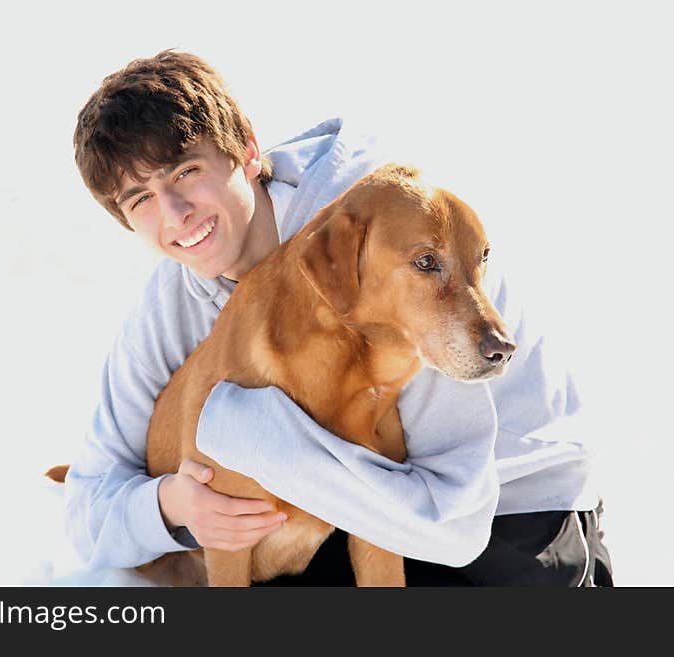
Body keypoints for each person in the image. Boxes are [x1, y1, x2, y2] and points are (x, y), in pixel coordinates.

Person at [64, 49, 613, 586]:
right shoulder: (175, 297)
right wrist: (171, 504)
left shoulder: (390, 236)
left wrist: (244, 436)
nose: (175, 213)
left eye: (186, 172)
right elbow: (87, 503)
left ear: (249, 152)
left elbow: (452, 521)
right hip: (347, 515)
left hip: (516, 513)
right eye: (141, 200)